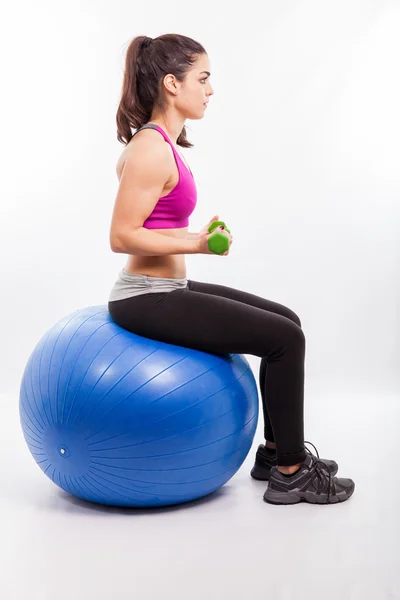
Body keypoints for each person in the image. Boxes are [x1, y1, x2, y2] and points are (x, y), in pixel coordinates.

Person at [108, 33, 355, 505]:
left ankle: (274, 450)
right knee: (286, 342)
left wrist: (194, 237)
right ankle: (291, 472)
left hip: (165, 286)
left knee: (287, 321)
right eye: (202, 78)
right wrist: (198, 243)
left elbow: (155, 226)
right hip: (144, 297)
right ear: (171, 84)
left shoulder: (163, 143)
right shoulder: (150, 148)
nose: (210, 89)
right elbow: (121, 235)